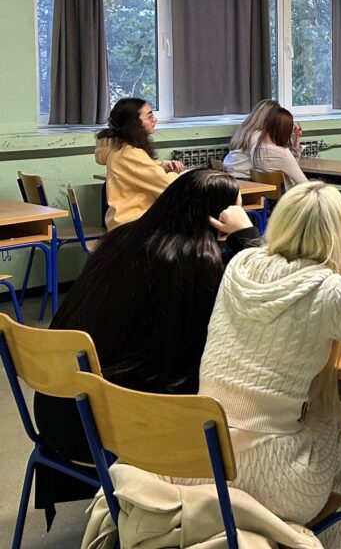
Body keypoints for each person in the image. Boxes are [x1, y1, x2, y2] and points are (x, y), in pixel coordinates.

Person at [31, 169, 260, 525]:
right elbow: (261, 299)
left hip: (58, 413)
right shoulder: (197, 264)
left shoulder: (120, 239)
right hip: (116, 430)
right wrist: (247, 237)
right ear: (218, 222)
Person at [191, 183, 341, 548]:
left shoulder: (239, 265)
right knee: (330, 418)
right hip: (273, 481)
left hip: (200, 459)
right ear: (336, 234)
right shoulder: (331, 290)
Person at [96, 98, 184, 229]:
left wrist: (162, 165)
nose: (155, 120)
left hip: (123, 224)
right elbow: (167, 185)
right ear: (134, 123)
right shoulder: (130, 154)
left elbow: (140, 167)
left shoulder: (116, 149)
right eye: (149, 116)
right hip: (134, 226)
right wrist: (186, 175)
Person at [252, 106, 308, 189]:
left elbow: (290, 166)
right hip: (288, 195)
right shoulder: (283, 154)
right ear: (284, 130)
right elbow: (305, 184)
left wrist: (296, 141)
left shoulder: (254, 149)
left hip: (268, 196)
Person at [223, 99, 280, 178]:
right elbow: (267, 166)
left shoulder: (243, 132)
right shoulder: (258, 137)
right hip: (244, 179)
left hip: (231, 176)